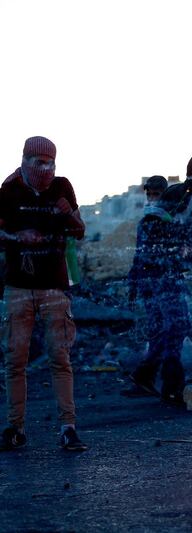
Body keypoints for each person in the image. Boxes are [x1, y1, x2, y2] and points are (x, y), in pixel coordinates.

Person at [0, 136, 87, 451]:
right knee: (15, 361)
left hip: (54, 288)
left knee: (60, 359)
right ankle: (15, 428)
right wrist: (16, 235)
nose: (46, 169)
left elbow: (79, 230)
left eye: (51, 162)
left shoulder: (62, 187)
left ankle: (68, 428)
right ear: (25, 159)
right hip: (18, 288)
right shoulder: (8, 191)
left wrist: (67, 213)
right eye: (40, 162)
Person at [124, 153, 192, 406]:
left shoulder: (179, 193)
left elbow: (147, 234)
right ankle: (172, 386)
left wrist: (135, 279)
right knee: (178, 326)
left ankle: (145, 376)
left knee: (161, 329)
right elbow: (178, 236)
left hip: (151, 274)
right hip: (164, 273)